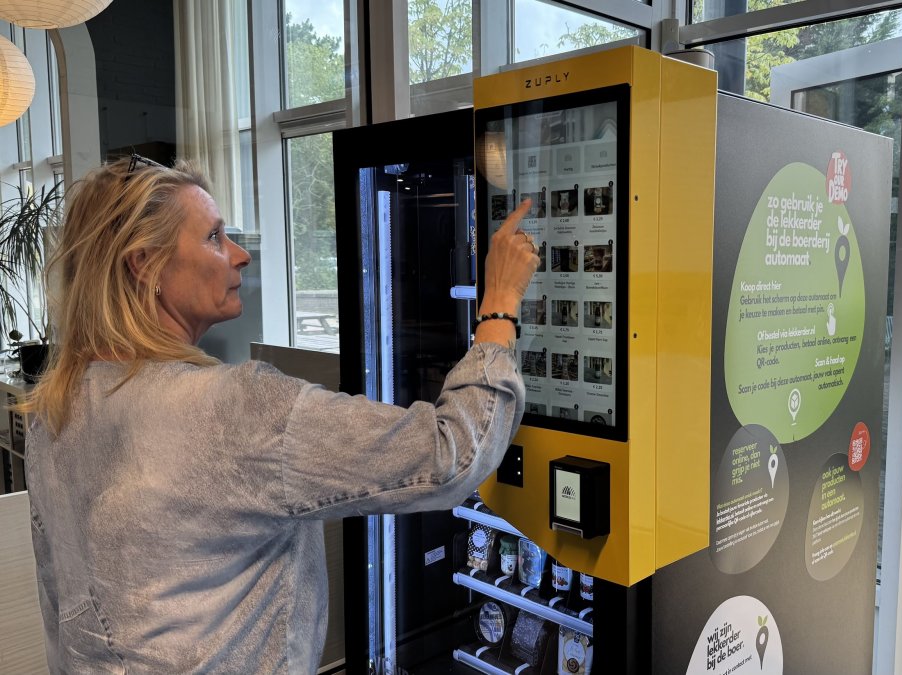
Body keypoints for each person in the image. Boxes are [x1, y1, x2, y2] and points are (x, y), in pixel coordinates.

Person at [21, 157, 540, 673]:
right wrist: (500, 306)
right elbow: (451, 454)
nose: (241, 255)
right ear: (145, 264)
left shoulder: (52, 412)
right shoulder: (234, 409)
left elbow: (59, 608)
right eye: (214, 237)